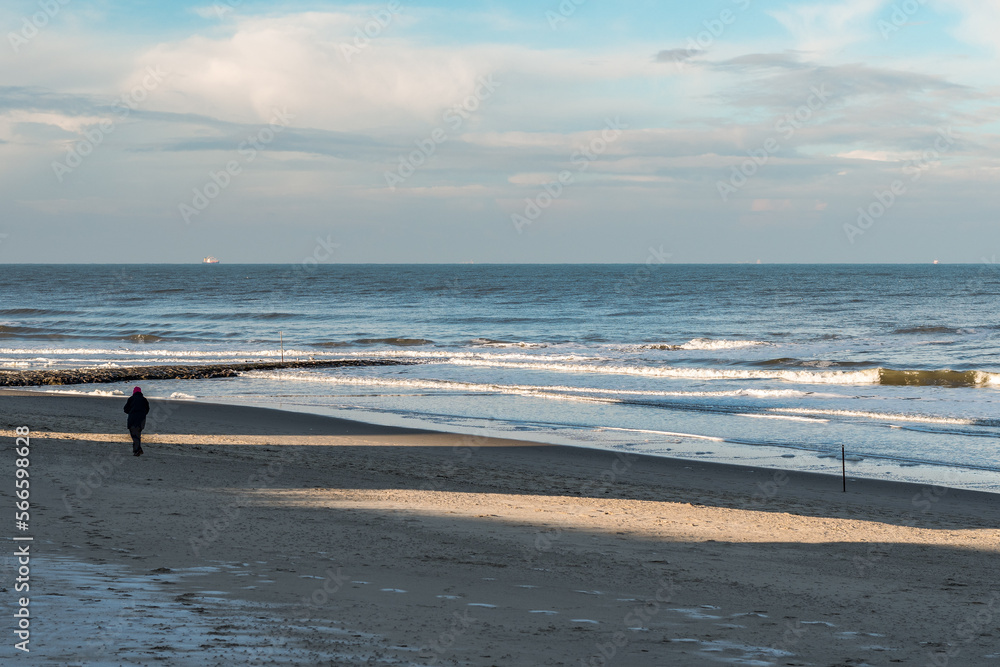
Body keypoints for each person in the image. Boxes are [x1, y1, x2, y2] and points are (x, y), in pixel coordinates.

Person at [123, 386, 150, 456]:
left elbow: (125, 409)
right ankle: (138, 449)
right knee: (137, 434)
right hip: (141, 419)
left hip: (133, 418)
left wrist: (131, 412)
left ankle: (137, 450)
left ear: (134, 392)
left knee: (134, 435)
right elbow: (147, 409)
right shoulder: (144, 400)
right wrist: (143, 414)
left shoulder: (131, 399)